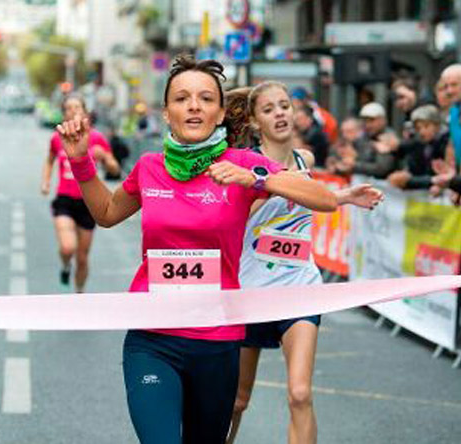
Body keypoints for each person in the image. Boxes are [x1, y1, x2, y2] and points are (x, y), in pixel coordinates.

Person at [57, 55, 338, 443]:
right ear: (167, 112)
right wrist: (79, 161)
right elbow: (105, 213)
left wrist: (254, 178)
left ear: (221, 113)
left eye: (206, 99)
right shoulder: (150, 167)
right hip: (152, 339)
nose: (193, 106)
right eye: (182, 98)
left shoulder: (242, 164)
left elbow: (324, 199)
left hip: (217, 343)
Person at [224, 81, 382, 444]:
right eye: (268, 109)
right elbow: (233, 218)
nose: (279, 113)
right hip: (251, 292)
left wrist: (344, 196)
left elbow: (311, 197)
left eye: (284, 106)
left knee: (300, 394)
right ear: (254, 121)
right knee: (236, 401)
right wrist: (264, 184)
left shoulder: (304, 160)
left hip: (299, 287)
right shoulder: (242, 164)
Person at [41, 95, 120, 293]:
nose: (73, 111)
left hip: (88, 204)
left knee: (83, 258)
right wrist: (46, 181)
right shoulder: (57, 138)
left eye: (78, 107)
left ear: (85, 112)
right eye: (69, 108)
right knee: (68, 247)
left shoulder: (97, 138)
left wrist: (106, 160)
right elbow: (49, 160)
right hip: (65, 200)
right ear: (64, 113)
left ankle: (79, 293)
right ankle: (66, 265)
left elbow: (115, 169)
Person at [387, 104, 448, 190]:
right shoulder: (420, 143)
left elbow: (439, 178)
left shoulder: (445, 143)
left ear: (437, 125)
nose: (422, 132)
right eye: (418, 128)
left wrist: (409, 180)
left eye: (426, 126)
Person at [293, 103, 330, 168]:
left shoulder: (317, 135)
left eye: (300, 119)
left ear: (309, 119)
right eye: (297, 119)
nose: (297, 122)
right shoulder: (300, 132)